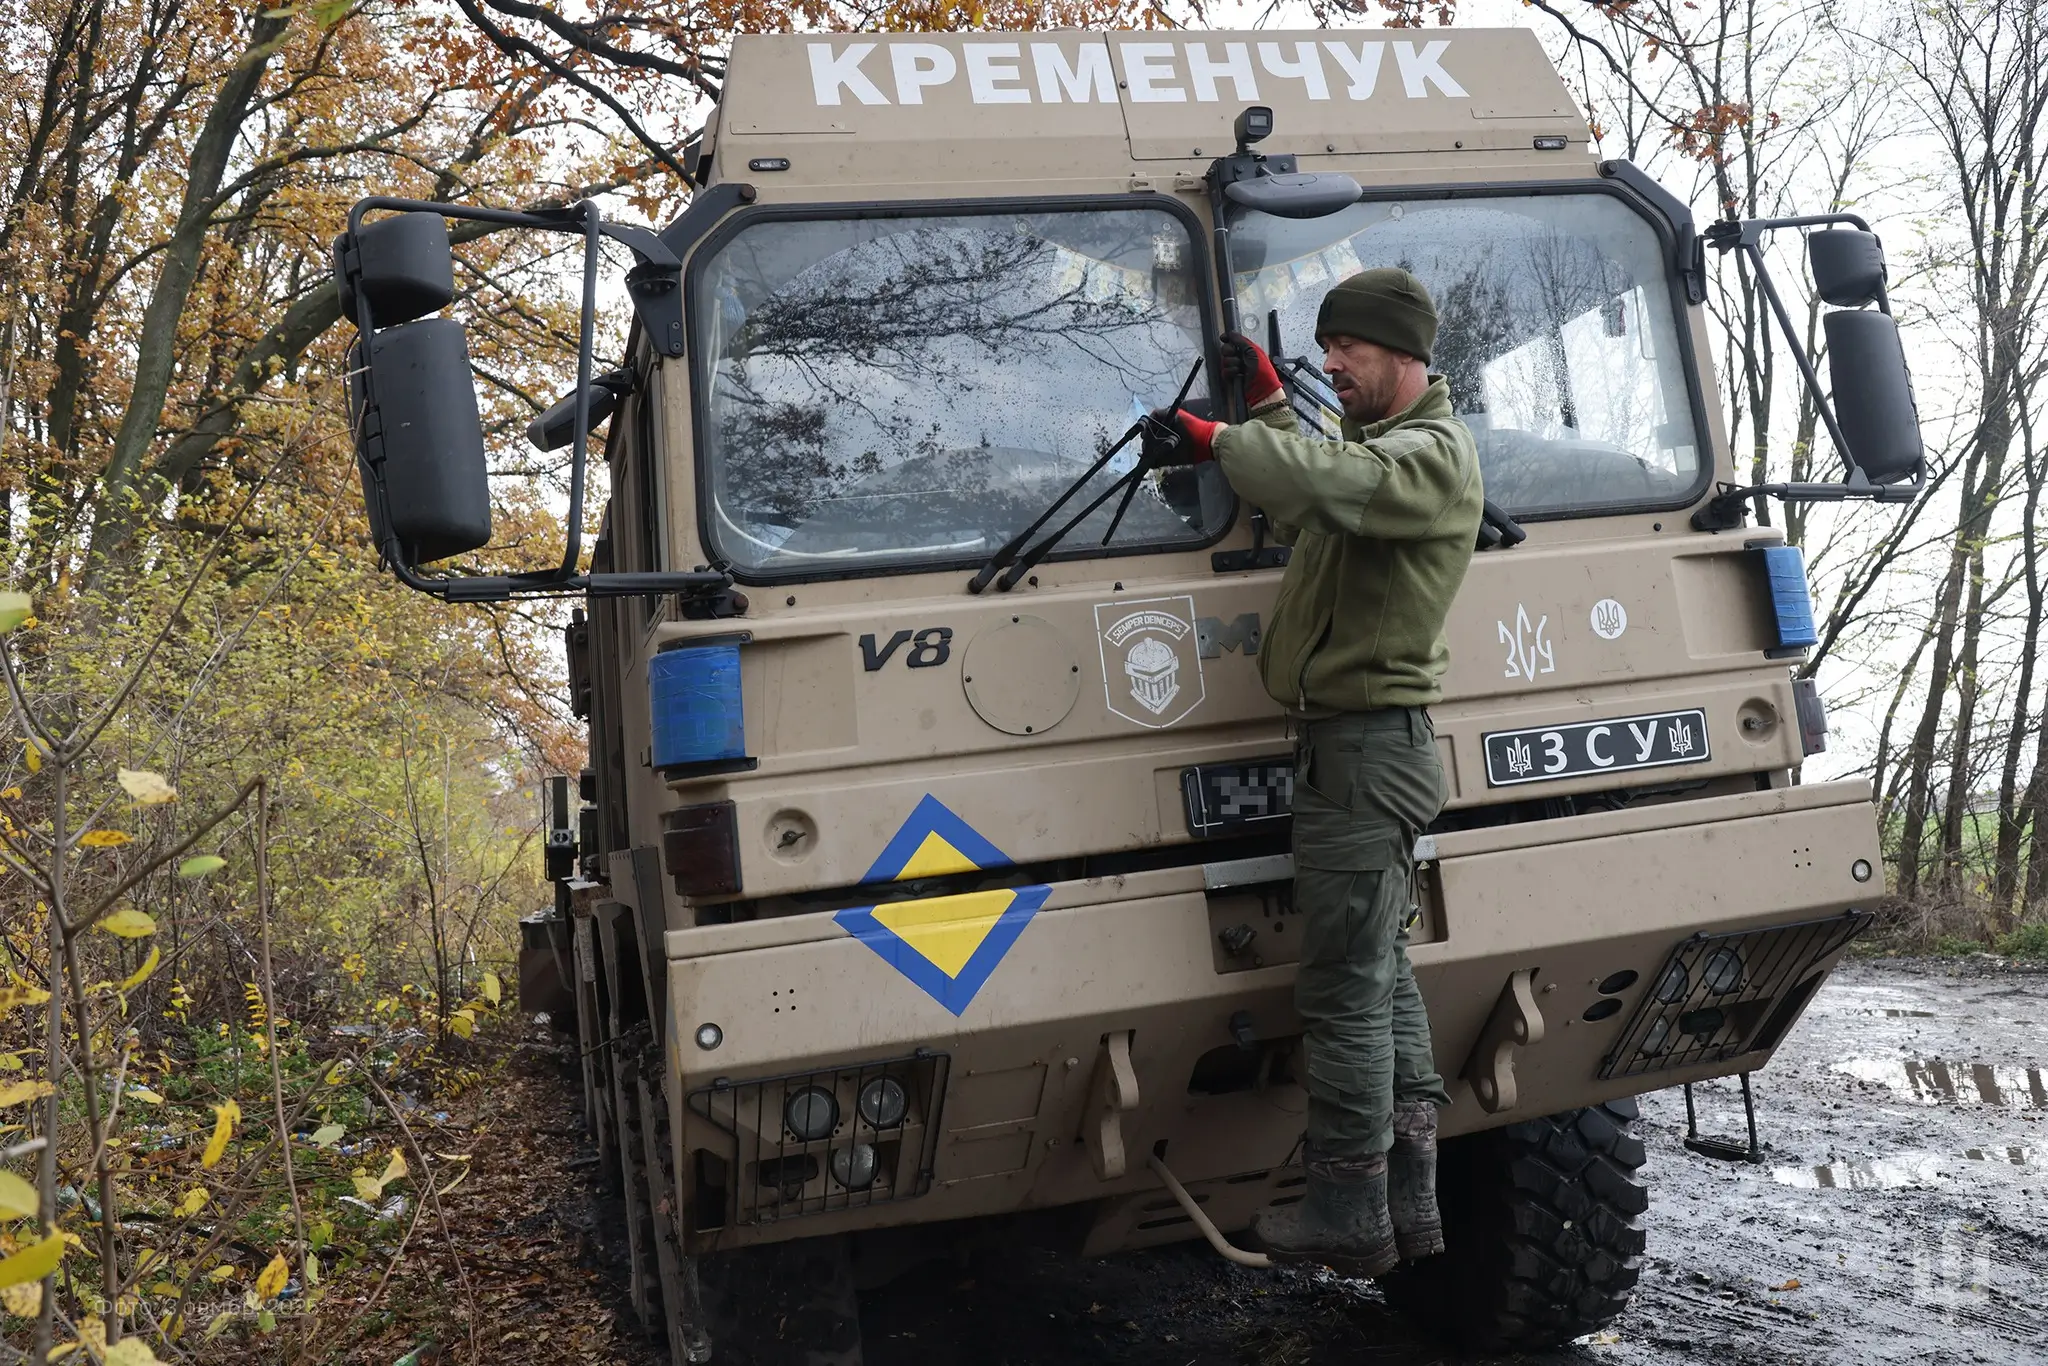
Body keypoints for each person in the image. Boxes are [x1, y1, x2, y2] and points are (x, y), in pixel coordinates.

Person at [1148, 268, 1482, 1277]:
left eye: (1349, 349)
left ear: (1403, 354)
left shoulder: (1428, 457)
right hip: (1360, 748)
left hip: (1365, 750)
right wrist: (1258, 402)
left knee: (1340, 983)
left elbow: (1331, 483)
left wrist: (1220, 440)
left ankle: (1344, 1205)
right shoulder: (1387, 456)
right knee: (1379, 965)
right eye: (1324, 347)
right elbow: (1333, 478)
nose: (1330, 362)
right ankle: (1410, 1201)